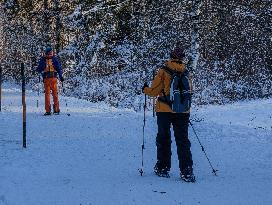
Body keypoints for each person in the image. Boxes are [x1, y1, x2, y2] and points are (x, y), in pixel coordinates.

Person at [142, 46, 195, 182]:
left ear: (171, 56)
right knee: (183, 141)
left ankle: (163, 168)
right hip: (183, 111)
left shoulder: (163, 71)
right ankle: (187, 171)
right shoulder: (187, 72)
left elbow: (154, 92)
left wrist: (145, 89)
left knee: (164, 139)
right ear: (183, 57)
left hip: (164, 110)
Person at [37, 46, 64, 116]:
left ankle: (48, 111)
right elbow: (59, 69)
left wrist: (40, 71)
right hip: (54, 79)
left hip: (46, 79)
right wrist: (61, 77)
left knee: (47, 95)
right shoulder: (54, 59)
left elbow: (39, 69)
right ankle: (56, 110)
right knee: (55, 94)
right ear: (51, 52)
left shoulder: (43, 59)